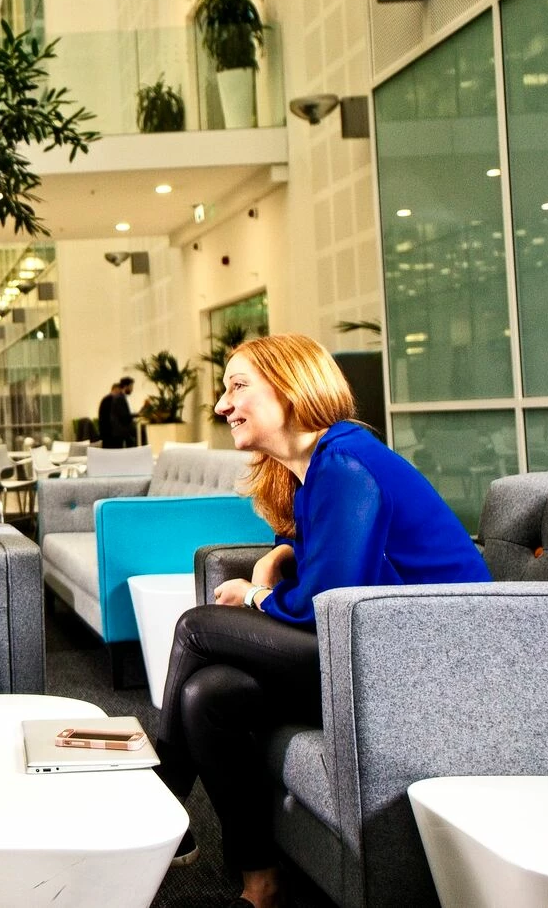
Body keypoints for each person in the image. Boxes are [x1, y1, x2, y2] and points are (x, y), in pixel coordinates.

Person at [153, 334, 489, 908]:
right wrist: (278, 554)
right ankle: (259, 882)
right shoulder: (316, 468)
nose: (221, 406)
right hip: (372, 645)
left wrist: (260, 594)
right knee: (210, 694)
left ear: (290, 388)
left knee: (197, 626)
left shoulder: (346, 462)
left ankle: (161, 802)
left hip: (424, 662)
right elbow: (317, 544)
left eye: (238, 387)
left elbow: (325, 598)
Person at [97, 376, 136, 447]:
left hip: (110, 434)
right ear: (115, 389)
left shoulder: (109, 399)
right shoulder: (111, 399)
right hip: (110, 435)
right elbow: (120, 417)